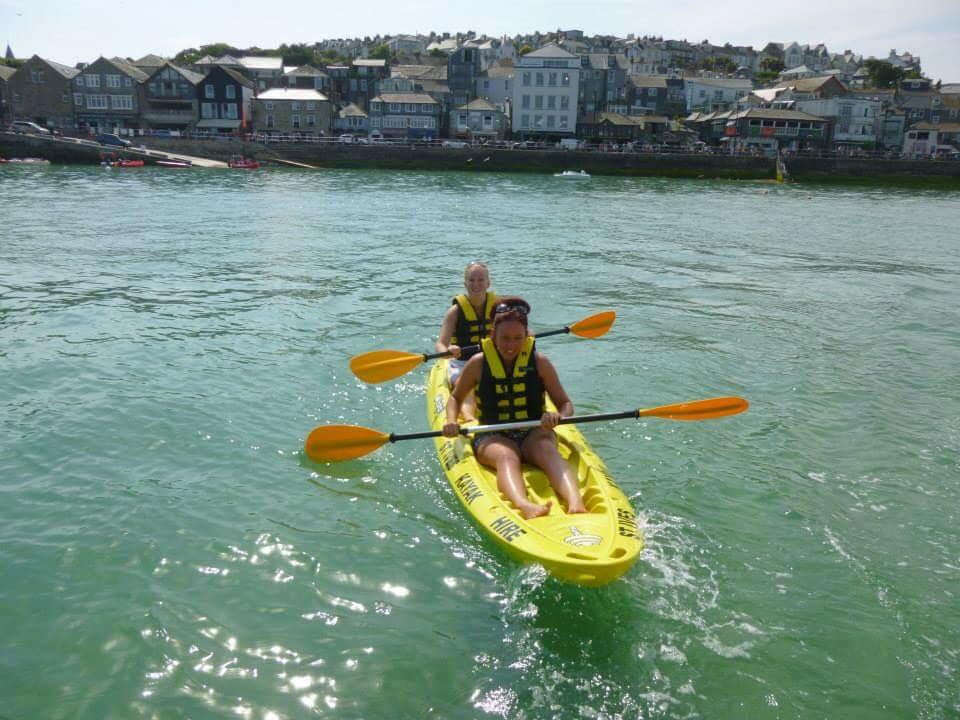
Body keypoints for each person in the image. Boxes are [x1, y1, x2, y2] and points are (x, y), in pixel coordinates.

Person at [443, 297, 588, 520]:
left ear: (527, 335)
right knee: (506, 456)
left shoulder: (540, 362)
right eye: (505, 338)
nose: (511, 345)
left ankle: (576, 503)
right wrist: (451, 421)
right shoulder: (478, 363)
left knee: (546, 450)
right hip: (492, 435)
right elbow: (455, 398)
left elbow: (565, 404)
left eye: (518, 338)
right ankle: (524, 505)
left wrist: (558, 416)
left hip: (533, 431)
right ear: (493, 335)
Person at [436, 261, 497, 420]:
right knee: (466, 386)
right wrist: (447, 351)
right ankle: (470, 419)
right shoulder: (455, 311)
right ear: (465, 284)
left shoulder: (499, 308)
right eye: (471, 280)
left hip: (492, 359)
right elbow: (441, 344)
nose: (476, 284)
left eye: (481, 280)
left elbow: (517, 330)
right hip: (463, 362)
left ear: (488, 283)